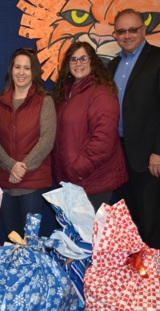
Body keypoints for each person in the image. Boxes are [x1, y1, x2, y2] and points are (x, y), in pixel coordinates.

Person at [109, 9, 160, 250]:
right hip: (121, 155)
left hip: (151, 158)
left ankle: (159, 280)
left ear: (144, 30)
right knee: (130, 223)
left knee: (153, 223)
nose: (127, 35)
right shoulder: (113, 64)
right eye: (121, 31)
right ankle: (139, 279)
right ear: (115, 34)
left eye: (132, 30)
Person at [51, 42, 128, 210]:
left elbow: (103, 141)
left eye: (83, 58)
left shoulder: (101, 93)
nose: (78, 63)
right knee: (74, 235)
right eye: (74, 59)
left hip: (93, 181)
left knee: (90, 234)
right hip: (71, 181)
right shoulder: (65, 92)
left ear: (93, 61)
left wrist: (77, 170)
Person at [0, 48, 56, 239]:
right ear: (11, 70)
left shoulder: (44, 101)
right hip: (5, 181)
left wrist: (22, 168)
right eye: (17, 67)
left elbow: (47, 140)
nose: (21, 72)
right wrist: (11, 166)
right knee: (11, 236)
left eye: (27, 68)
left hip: (33, 183)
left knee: (30, 239)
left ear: (34, 72)